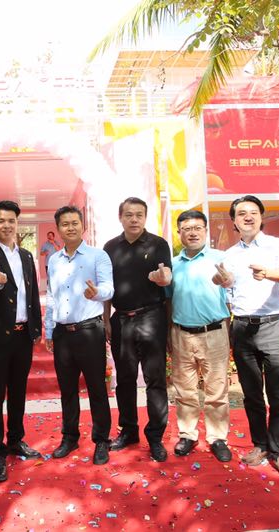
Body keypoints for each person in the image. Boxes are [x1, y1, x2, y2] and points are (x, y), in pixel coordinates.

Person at [213, 195, 279, 479]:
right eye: (241, 213)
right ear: (234, 221)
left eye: (253, 212)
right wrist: (223, 283)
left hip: (274, 325)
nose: (248, 217)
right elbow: (228, 289)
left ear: (261, 216)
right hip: (242, 328)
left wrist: (268, 273)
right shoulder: (229, 255)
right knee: (251, 394)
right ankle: (260, 445)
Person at [0, 200, 43, 482]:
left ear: (17, 223)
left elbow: (32, 293)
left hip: (23, 334)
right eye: (1, 220)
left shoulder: (26, 256)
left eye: (11, 220)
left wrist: (36, 329)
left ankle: (16, 440)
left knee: (18, 391)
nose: (6, 225)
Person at [103, 197, 171, 462]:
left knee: (155, 379)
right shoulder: (110, 247)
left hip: (152, 317)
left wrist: (162, 278)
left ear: (145, 217)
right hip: (121, 320)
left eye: (139, 215)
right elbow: (107, 287)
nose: (134, 219)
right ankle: (129, 430)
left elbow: (166, 278)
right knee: (125, 380)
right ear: (120, 217)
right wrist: (106, 319)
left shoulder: (158, 244)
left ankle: (155, 436)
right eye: (129, 215)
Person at [45, 205, 114, 465]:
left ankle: (101, 440)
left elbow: (109, 288)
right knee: (67, 390)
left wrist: (96, 293)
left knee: (96, 388)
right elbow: (51, 296)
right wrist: (49, 329)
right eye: (65, 224)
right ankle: (70, 437)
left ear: (82, 225)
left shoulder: (98, 256)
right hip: (63, 334)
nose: (70, 227)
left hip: (89, 331)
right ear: (58, 229)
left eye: (75, 222)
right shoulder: (54, 260)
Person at [167, 210, 232, 462]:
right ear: (179, 233)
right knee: (185, 390)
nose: (192, 233)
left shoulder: (220, 259)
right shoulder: (172, 264)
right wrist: (168, 334)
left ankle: (218, 438)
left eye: (197, 228)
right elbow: (168, 301)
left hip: (214, 332)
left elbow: (232, 293)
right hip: (181, 333)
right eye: (186, 229)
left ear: (206, 230)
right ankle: (188, 435)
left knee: (217, 389)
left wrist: (229, 331)